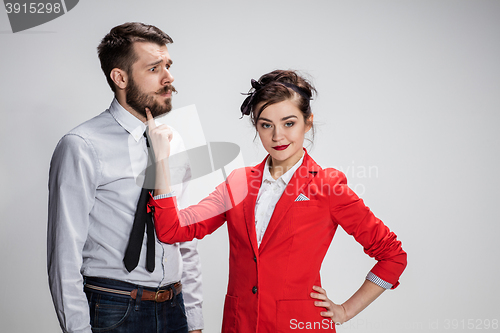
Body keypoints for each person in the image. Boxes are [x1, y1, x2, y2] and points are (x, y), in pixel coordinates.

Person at [146, 70, 407, 332]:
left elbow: (393, 256)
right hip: (241, 326)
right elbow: (172, 230)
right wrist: (161, 165)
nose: (277, 136)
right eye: (266, 124)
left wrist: (345, 310)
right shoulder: (238, 183)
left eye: (289, 123)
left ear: (308, 122)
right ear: (256, 126)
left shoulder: (327, 185)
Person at [47, 22, 203, 333]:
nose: (169, 77)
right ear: (120, 77)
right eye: (154, 68)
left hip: (174, 308)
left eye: (168, 66)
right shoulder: (82, 145)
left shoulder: (177, 141)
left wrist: (194, 318)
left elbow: (184, 239)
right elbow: (63, 254)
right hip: (114, 307)